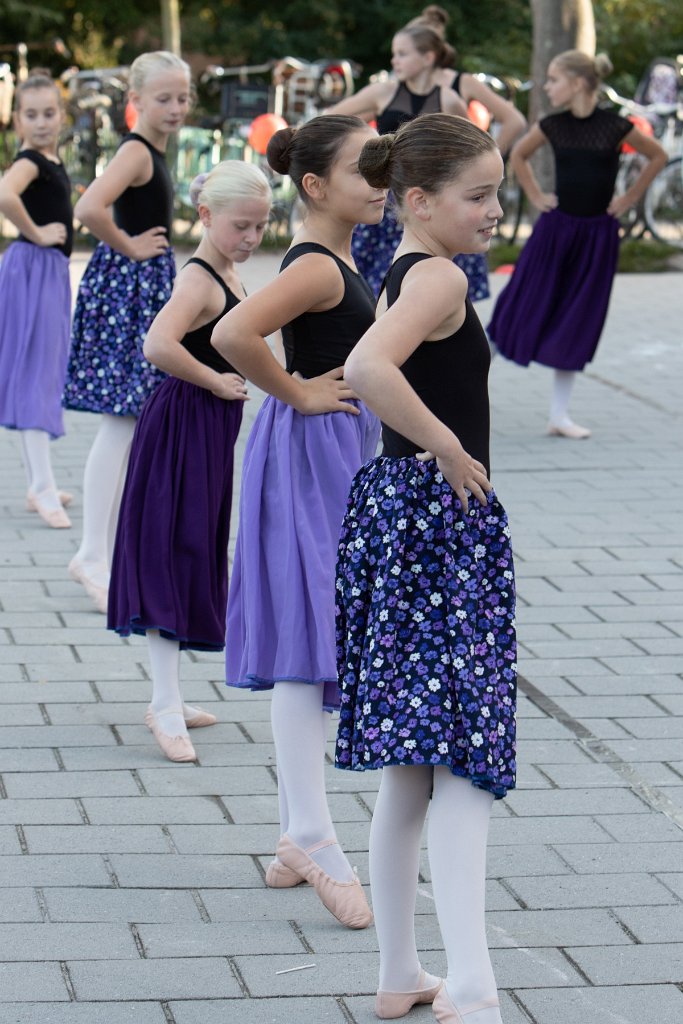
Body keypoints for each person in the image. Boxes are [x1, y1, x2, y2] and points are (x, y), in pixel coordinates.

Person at [334, 113, 515, 1023]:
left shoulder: (406, 269)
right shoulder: (438, 275)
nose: (494, 210)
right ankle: (472, 982)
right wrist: (445, 445)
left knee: (413, 770)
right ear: (416, 201)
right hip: (436, 527)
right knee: (464, 766)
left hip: (401, 522)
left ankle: (402, 973)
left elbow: (371, 367)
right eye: (477, 197)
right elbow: (367, 367)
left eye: (495, 192)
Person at [211, 115, 383, 930]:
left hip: (332, 452)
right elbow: (231, 332)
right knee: (305, 635)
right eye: (365, 168)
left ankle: (292, 836)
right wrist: (300, 392)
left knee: (320, 629)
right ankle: (313, 834)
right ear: (315, 186)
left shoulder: (340, 254)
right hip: (308, 451)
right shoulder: (315, 266)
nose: (380, 179)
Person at [107, 161, 271, 763]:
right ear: (205, 216)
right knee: (170, 551)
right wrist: (214, 381)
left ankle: (171, 694)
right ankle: (164, 703)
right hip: (180, 425)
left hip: (204, 429)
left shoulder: (229, 270)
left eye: (260, 226)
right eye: (241, 226)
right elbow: (158, 343)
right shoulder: (200, 278)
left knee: (195, 548)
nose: (252, 238)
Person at [63, 50, 191, 609]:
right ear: (135, 101)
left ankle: (102, 551)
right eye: (164, 98)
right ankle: (92, 553)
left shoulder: (153, 152)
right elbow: (89, 207)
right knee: (121, 422)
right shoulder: (137, 151)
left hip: (141, 291)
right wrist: (131, 246)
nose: (176, 108)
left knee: (129, 423)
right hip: (128, 294)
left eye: (183, 97)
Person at [487, 50, 667, 439]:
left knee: (578, 316)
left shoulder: (615, 126)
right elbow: (518, 154)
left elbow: (657, 156)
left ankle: (559, 415)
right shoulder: (552, 124)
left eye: (553, 79)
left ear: (579, 83)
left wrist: (629, 198)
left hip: (598, 235)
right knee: (521, 303)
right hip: (556, 231)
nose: (547, 86)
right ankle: (462, 389)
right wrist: (535, 195)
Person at [324, 18, 471, 297]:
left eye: (403, 54)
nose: (395, 60)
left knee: (422, 279)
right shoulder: (383, 92)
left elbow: (468, 149)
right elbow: (332, 120)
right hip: (385, 197)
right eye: (394, 54)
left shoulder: (450, 100)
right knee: (372, 280)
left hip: (429, 200)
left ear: (428, 57)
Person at [0, 71, 73, 529]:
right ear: (17, 121)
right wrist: (37, 232)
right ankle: (43, 489)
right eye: (32, 114)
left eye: (49, 113)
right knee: (34, 376)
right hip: (33, 270)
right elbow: (4, 193)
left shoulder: (51, 158)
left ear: (62, 117)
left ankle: (37, 483)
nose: (42, 122)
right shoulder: (30, 160)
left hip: (46, 272)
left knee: (43, 373)